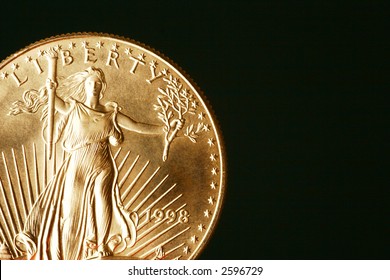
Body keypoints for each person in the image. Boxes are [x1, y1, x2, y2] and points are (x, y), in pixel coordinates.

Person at [12, 67, 181, 259]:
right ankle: (67, 258)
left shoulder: (111, 114)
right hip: (78, 164)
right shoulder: (73, 107)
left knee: (103, 203)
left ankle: (101, 246)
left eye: (98, 83)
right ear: (84, 86)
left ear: (103, 87)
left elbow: (136, 126)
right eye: (90, 82)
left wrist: (165, 129)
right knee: (70, 211)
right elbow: (55, 102)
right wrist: (50, 89)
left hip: (102, 163)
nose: (94, 86)